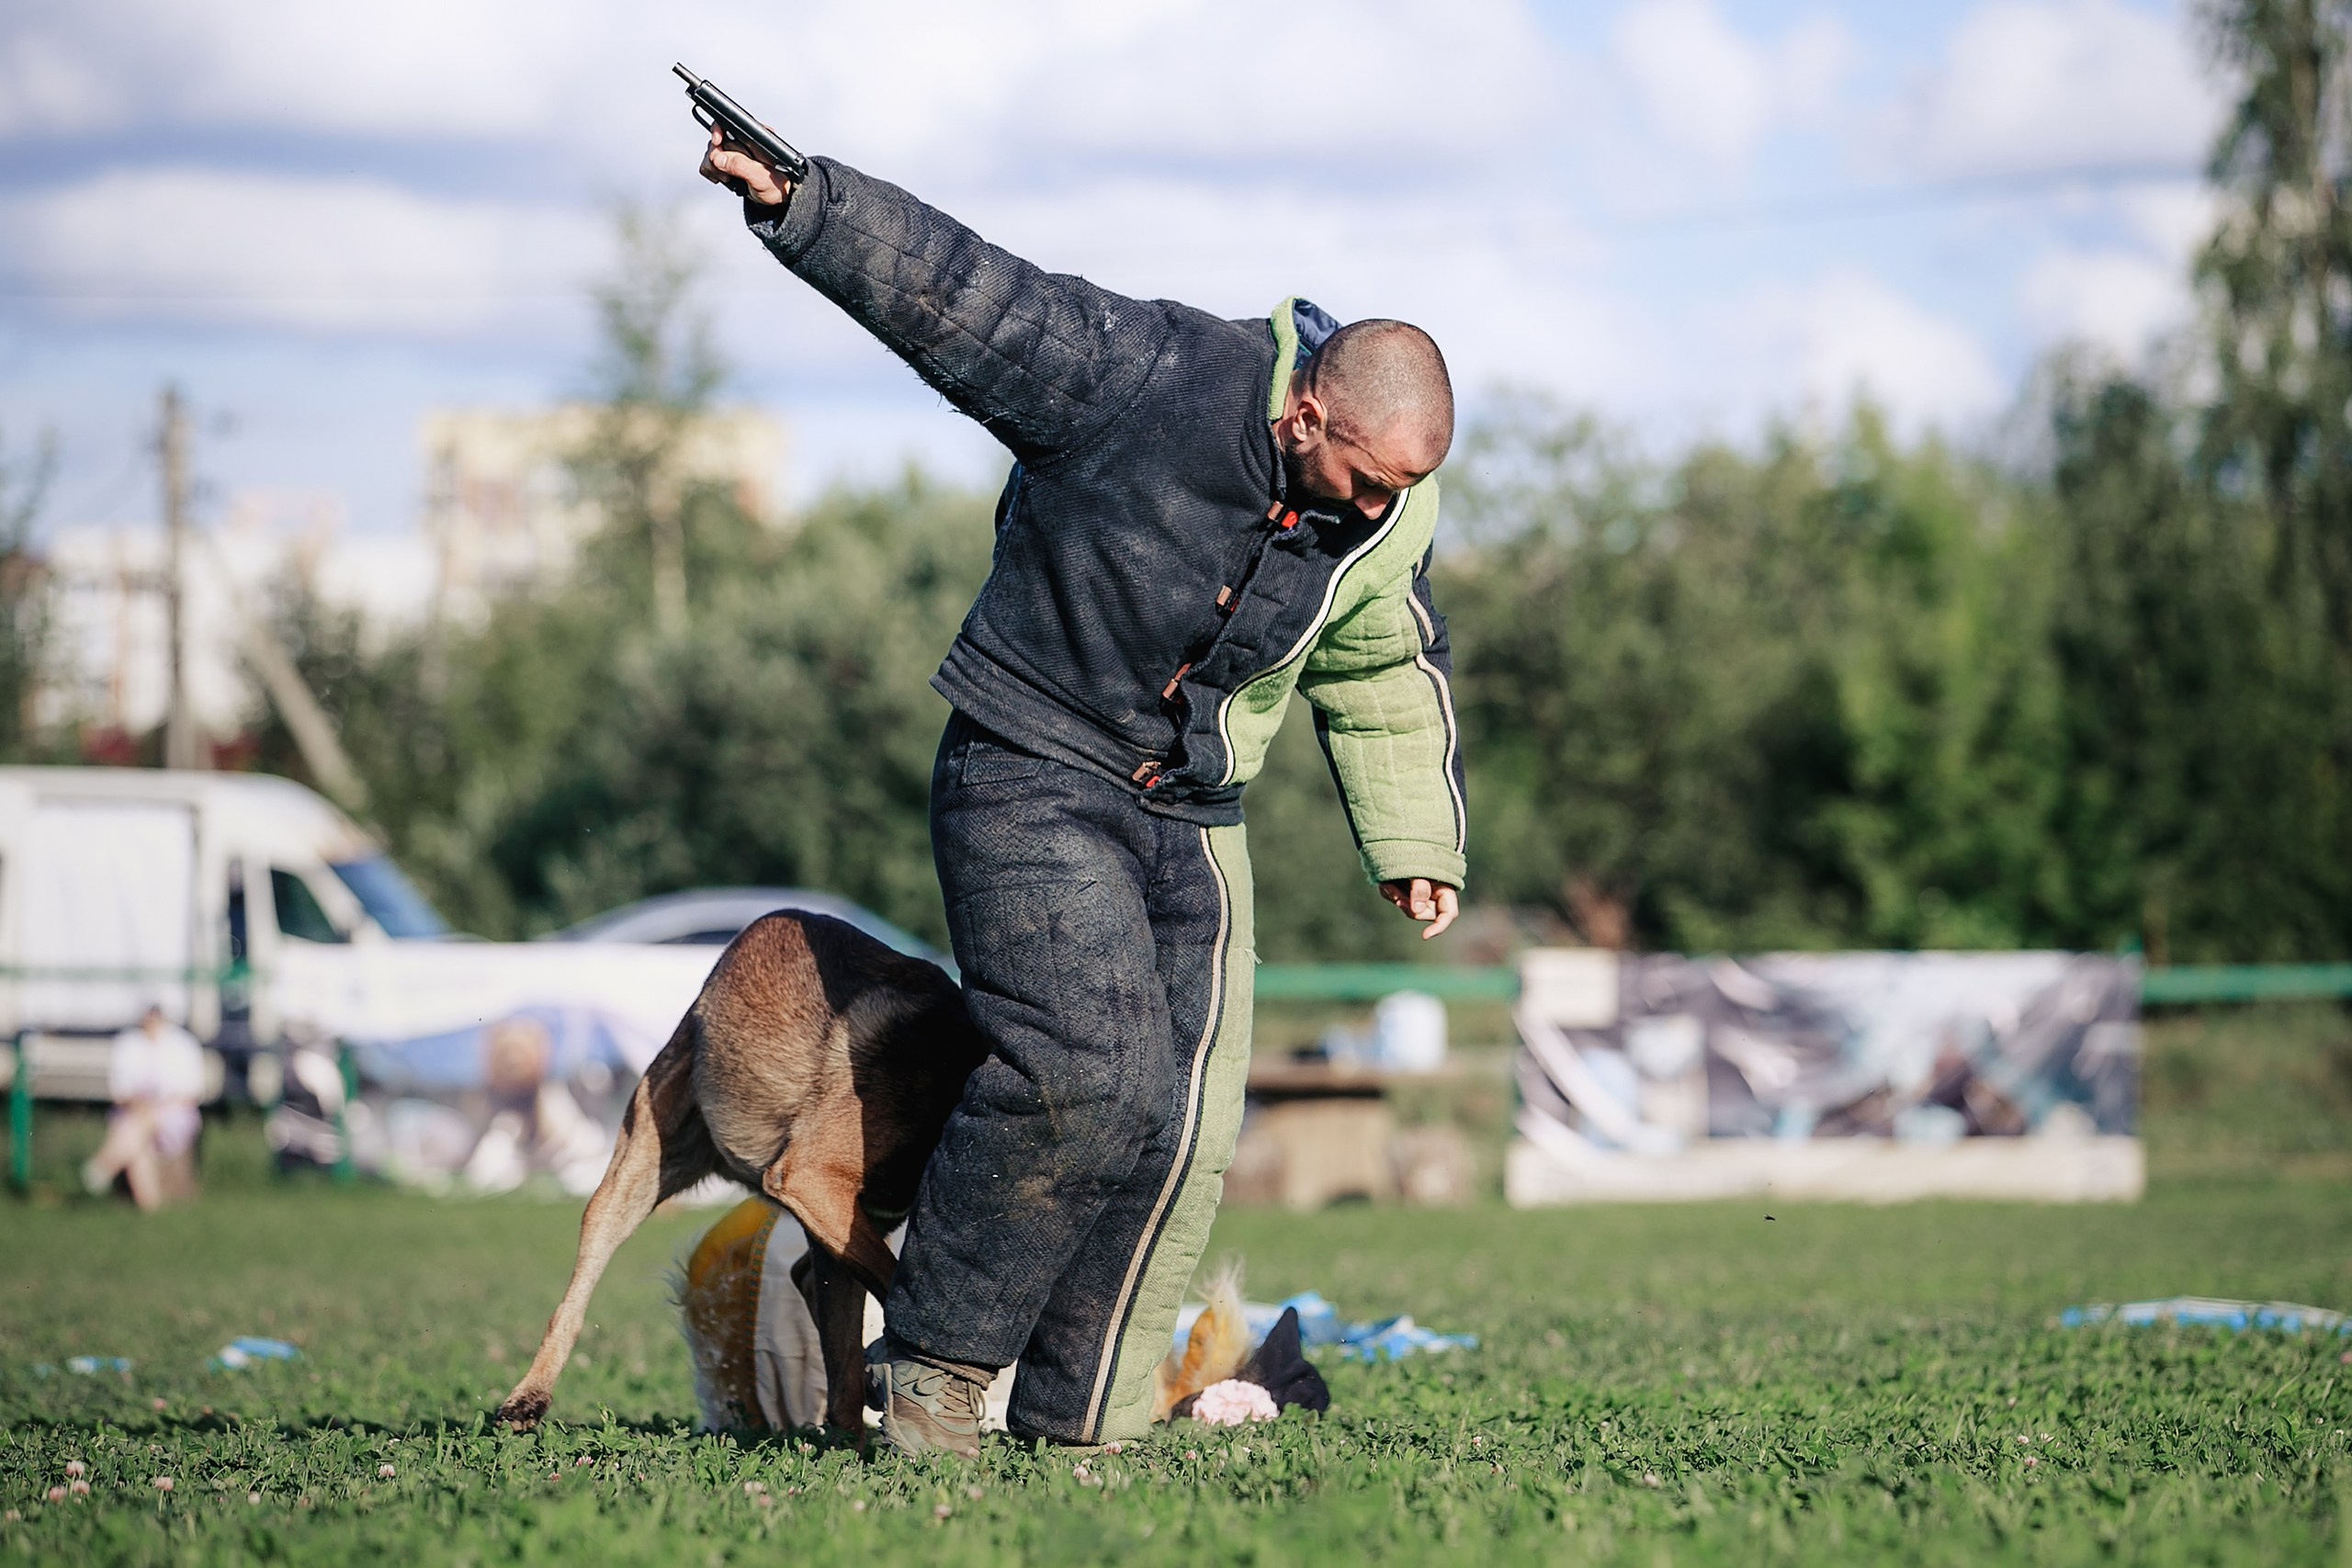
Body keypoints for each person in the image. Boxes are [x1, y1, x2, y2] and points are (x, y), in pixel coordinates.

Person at [701, 124, 1466, 1456]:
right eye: (1365, 478)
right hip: (1031, 768)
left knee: (1181, 1119)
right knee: (1087, 1071)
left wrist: (1413, 839)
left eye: (1401, 491)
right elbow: (966, 293)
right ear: (1306, 412)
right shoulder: (1146, 372)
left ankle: (1083, 1416)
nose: (1374, 510)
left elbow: (1382, 659)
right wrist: (806, 203)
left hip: (1193, 810)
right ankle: (932, 1372)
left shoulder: (1388, 512)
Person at [83, 1005, 207, 1210]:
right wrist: (141, 1105)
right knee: (138, 1141)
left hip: (173, 1115)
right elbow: (120, 1093)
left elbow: (191, 1093)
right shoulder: (128, 1044)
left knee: (138, 1126)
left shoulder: (182, 1043)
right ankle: (150, 1204)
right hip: (136, 1114)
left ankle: (103, 1165)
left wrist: (153, 1105)